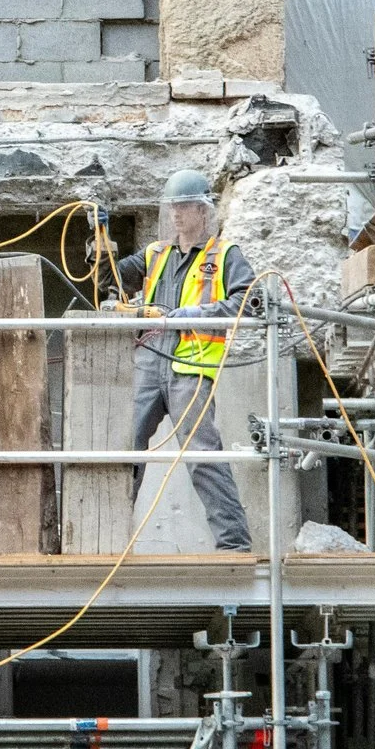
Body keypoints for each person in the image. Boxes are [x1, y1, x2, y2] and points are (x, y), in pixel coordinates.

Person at [118, 168, 255, 551]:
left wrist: (195, 315)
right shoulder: (155, 254)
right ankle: (108, 540)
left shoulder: (225, 255)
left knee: (202, 456)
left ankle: (234, 544)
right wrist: (100, 245)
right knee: (123, 450)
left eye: (184, 206)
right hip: (149, 362)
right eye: (172, 207)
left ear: (202, 210)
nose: (176, 214)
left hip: (190, 368)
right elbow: (111, 274)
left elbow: (247, 301)